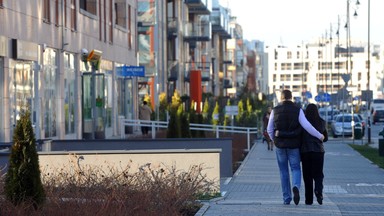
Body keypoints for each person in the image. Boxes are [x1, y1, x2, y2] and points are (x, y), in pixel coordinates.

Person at [267, 90, 324, 205]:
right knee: (295, 168)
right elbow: (307, 126)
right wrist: (319, 135)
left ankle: (286, 198)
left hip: (280, 146)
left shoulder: (275, 110)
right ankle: (296, 186)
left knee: (283, 171)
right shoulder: (298, 110)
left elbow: (269, 129)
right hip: (294, 145)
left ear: (281, 98)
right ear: (291, 98)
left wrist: (275, 141)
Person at [301, 104, 328, 205]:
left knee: (307, 176)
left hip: (305, 151)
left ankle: (309, 200)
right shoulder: (321, 122)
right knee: (318, 174)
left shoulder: (303, 123)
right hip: (318, 151)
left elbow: (300, 137)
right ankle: (318, 191)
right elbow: (325, 138)